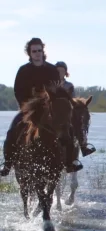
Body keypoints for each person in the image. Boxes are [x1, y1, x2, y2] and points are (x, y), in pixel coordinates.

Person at [0, 38, 83, 177]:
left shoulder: (51, 70)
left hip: (50, 109)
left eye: (39, 50)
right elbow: (17, 90)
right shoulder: (23, 70)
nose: (37, 53)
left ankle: (70, 162)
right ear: (30, 53)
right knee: (12, 129)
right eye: (34, 51)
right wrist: (25, 107)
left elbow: (58, 90)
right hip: (29, 109)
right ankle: (8, 163)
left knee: (68, 129)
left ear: (42, 51)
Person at [55, 60, 96, 158]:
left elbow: (73, 99)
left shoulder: (69, 85)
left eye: (62, 70)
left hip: (67, 110)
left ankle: (83, 147)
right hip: (55, 110)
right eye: (58, 70)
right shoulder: (51, 84)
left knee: (79, 124)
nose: (60, 72)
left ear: (65, 73)